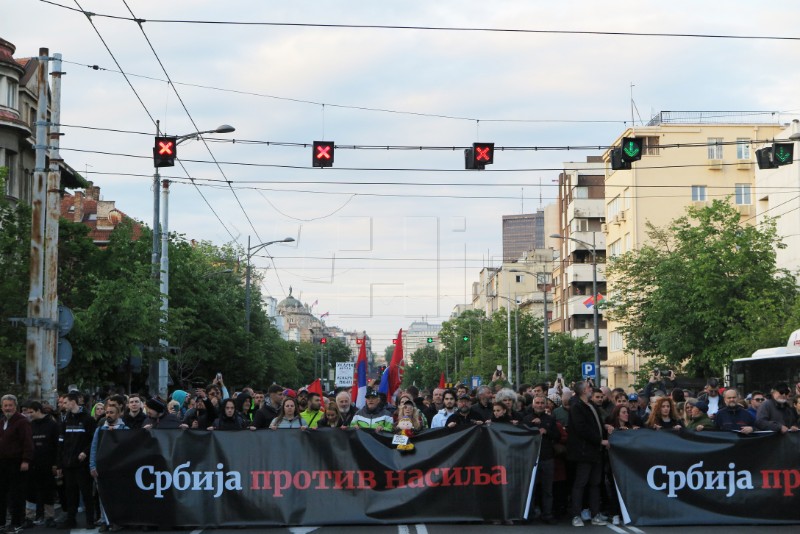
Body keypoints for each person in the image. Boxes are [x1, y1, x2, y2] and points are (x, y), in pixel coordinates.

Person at [567, 383, 608, 527]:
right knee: (580, 483)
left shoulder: (591, 405)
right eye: (589, 387)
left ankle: (595, 514)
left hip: (595, 451)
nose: (591, 388)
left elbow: (595, 425)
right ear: (584, 390)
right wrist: (599, 440)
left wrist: (605, 429)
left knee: (595, 484)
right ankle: (576, 515)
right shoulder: (577, 407)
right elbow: (581, 429)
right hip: (583, 452)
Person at [57, 391, 96, 529]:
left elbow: (94, 440)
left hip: (82, 465)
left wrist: (85, 452)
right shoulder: (65, 420)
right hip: (68, 464)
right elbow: (61, 442)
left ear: (73, 402)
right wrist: (60, 463)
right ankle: (71, 519)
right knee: (70, 493)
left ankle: (90, 520)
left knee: (86, 493)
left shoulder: (88, 419)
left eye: (65, 402)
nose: (63, 405)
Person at [89, 402, 128, 533]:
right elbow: (94, 448)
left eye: (112, 412)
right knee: (103, 496)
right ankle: (105, 521)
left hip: (118, 469)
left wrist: (115, 434)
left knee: (117, 496)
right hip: (102, 468)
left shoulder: (125, 430)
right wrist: (92, 466)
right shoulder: (100, 430)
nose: (109, 415)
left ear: (118, 414)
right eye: (107, 413)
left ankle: (117, 521)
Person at [21, 401, 58, 527]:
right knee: (30, 490)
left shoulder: (52, 425)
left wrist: (55, 464)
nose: (29, 415)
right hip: (33, 463)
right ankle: (29, 517)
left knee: (48, 490)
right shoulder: (30, 425)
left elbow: (57, 446)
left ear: (38, 410)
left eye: (31, 412)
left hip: (47, 463)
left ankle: (49, 516)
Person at [0, 394, 33, 534]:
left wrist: (26, 460)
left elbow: (28, 442)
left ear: (15, 406)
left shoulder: (22, 421)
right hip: (3, 463)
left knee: (16, 494)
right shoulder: (2, 421)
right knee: (2, 493)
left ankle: (17, 522)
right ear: (2, 407)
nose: (8, 408)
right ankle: (1, 522)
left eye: (10, 405)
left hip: (17, 462)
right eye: (5, 405)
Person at [523, 395, 559, 524]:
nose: (539, 405)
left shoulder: (551, 419)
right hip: (531, 459)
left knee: (547, 489)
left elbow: (557, 436)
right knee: (530, 488)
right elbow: (521, 436)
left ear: (545, 405)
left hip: (547, 457)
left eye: (542, 403)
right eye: (537, 403)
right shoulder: (526, 419)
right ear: (533, 405)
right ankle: (529, 514)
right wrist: (532, 427)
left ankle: (547, 514)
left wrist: (546, 431)